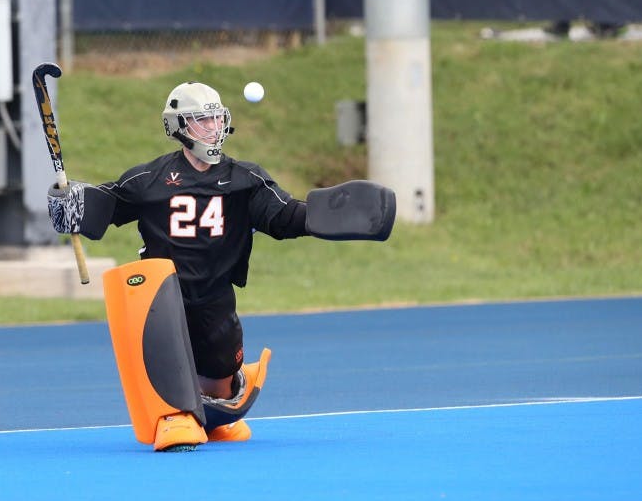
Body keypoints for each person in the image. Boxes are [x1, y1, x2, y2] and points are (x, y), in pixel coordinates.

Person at [47, 81, 395, 450]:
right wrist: (72, 204)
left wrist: (327, 216)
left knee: (222, 383)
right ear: (178, 127)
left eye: (216, 119)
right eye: (202, 121)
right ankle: (173, 416)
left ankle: (212, 416)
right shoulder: (149, 179)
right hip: (164, 299)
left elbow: (283, 217)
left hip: (215, 296)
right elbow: (109, 204)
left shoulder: (245, 180)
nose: (212, 128)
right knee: (167, 355)